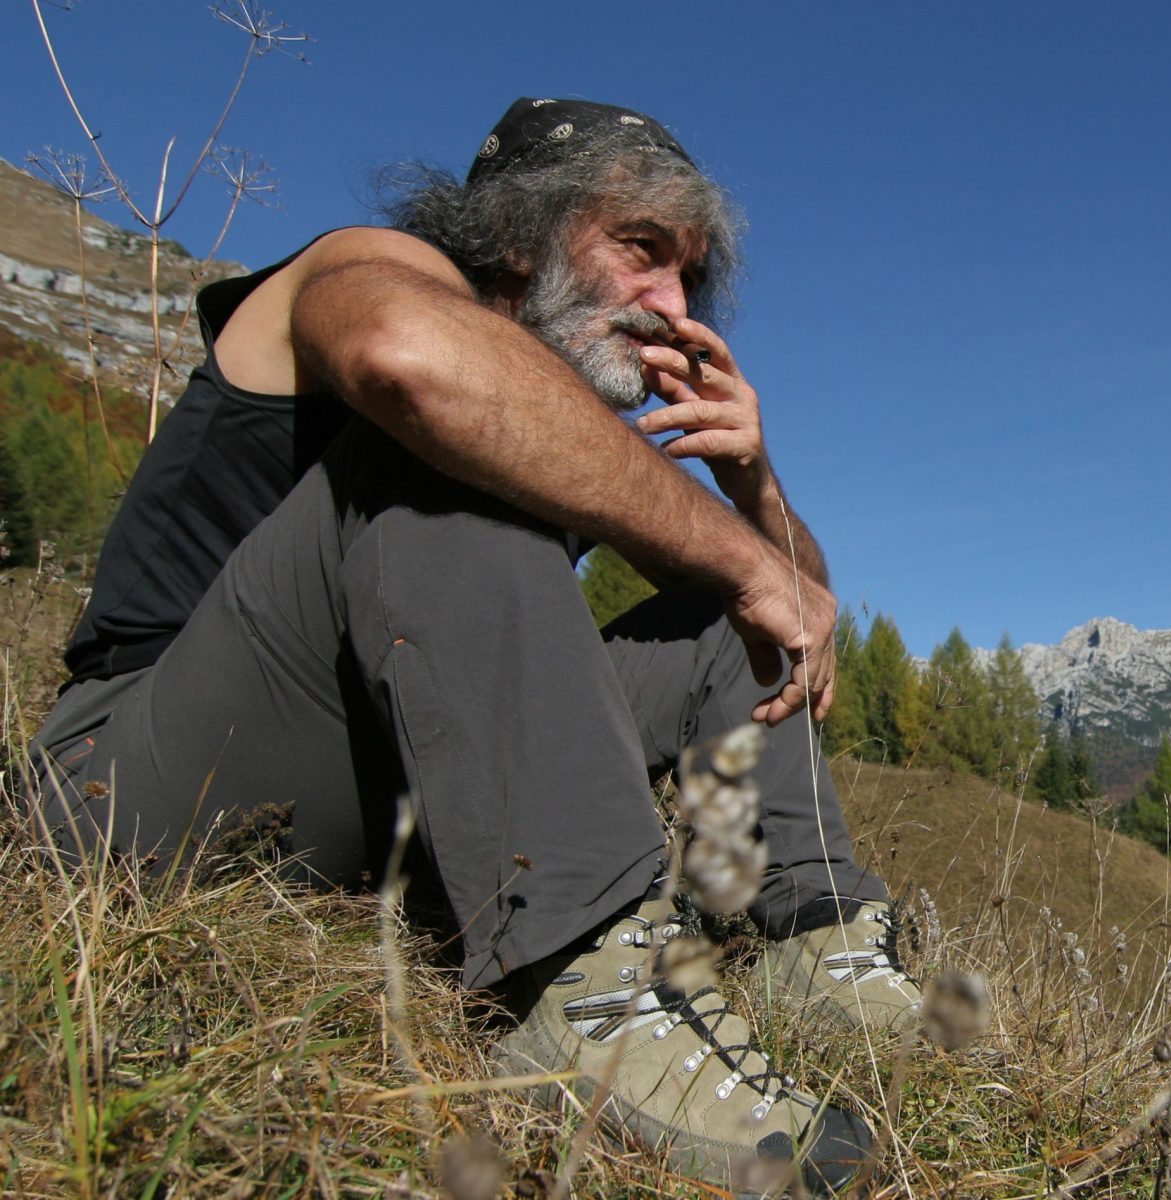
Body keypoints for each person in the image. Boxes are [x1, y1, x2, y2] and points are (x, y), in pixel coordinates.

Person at [26, 97, 919, 1193]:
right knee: (442, 448)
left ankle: (816, 951)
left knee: (719, 622)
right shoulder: (374, 270)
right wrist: (734, 555)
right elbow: (406, 359)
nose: (673, 306)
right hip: (129, 792)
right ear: (514, 231)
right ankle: (587, 1005)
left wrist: (750, 482)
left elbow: (798, 631)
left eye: (689, 275)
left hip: (368, 785)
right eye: (641, 249)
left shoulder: (555, 417)